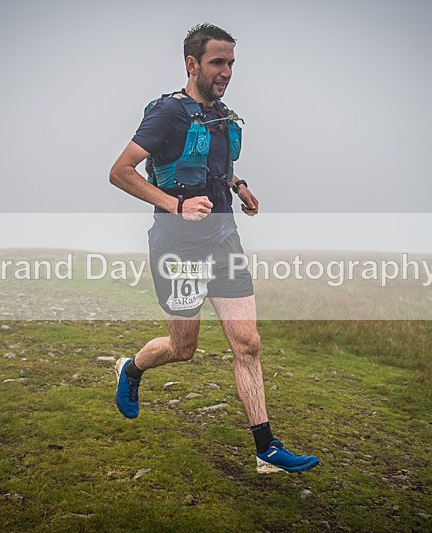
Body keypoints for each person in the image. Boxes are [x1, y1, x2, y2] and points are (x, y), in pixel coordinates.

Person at [109, 23, 319, 474]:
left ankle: (266, 448)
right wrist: (175, 204)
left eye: (231, 63)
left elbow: (213, 167)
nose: (226, 72)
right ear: (192, 64)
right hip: (177, 249)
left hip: (223, 241)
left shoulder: (221, 115)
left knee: (247, 343)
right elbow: (120, 171)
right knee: (182, 347)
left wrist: (239, 186)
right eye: (217, 62)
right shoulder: (168, 114)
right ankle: (132, 369)